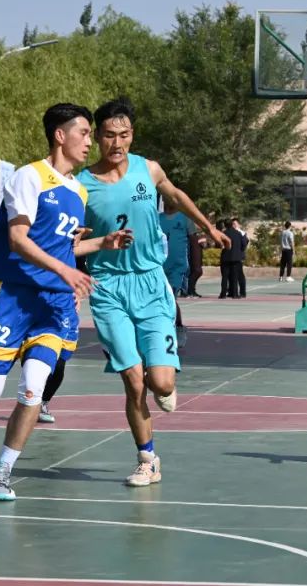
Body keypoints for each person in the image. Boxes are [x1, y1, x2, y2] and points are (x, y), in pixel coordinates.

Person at [0, 103, 132, 501]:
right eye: (84, 133)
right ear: (59, 135)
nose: (90, 141)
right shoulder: (29, 177)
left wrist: (101, 243)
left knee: (33, 389)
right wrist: (66, 271)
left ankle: (2, 470)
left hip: (54, 305)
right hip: (14, 296)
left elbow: (63, 249)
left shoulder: (78, 190)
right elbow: (19, 240)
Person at [79, 96, 228, 488]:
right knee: (133, 381)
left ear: (132, 134)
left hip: (150, 282)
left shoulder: (148, 168)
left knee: (160, 383)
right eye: (109, 135)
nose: (117, 143)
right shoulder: (81, 185)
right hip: (108, 287)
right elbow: (68, 239)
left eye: (124, 134)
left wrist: (208, 227)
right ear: (97, 137)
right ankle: (147, 459)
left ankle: (165, 376)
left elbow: (175, 196)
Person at [159, 198, 197, 348]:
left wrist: (196, 265)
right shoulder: (157, 219)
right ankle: (165, 329)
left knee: (170, 297)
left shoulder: (185, 218)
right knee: (160, 300)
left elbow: (194, 242)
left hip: (177, 266)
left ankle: (178, 328)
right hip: (159, 265)